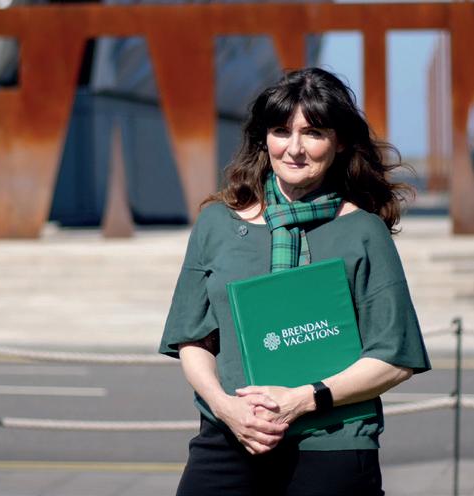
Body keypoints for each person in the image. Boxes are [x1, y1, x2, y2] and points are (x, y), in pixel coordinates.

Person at [159, 67, 430, 496]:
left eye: (313, 133)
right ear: (264, 138)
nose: (295, 148)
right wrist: (226, 408)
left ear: (340, 142)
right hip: (231, 435)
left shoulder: (364, 232)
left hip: (333, 441)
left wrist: (302, 400)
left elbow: (395, 358)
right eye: (281, 131)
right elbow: (193, 340)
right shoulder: (217, 223)